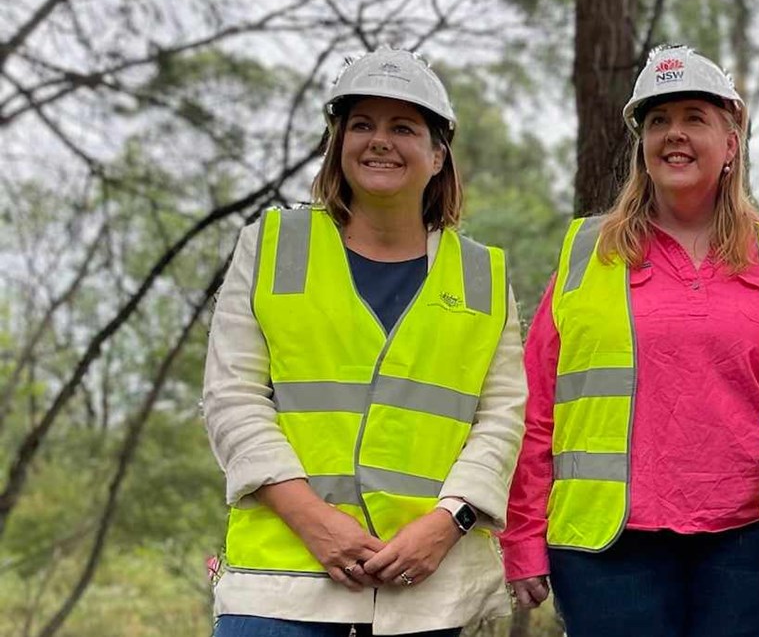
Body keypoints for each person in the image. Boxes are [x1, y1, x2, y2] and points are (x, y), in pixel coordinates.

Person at [203, 47, 527, 636]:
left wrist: (446, 524)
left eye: (402, 126)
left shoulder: (483, 275)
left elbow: (501, 419)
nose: (380, 140)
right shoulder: (272, 247)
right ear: (339, 143)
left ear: (437, 155)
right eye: (362, 125)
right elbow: (232, 397)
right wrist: (312, 521)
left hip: (426, 588)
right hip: (282, 585)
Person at [500, 46, 759, 637]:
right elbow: (536, 406)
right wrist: (523, 536)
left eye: (695, 117)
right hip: (608, 552)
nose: (675, 135)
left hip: (753, 547)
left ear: (732, 141)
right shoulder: (586, 254)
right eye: (658, 121)